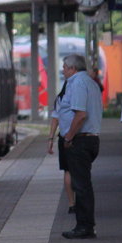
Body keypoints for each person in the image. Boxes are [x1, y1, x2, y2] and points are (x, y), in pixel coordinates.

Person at [55, 54, 103, 239]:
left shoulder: (76, 84)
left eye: (64, 67)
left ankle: (85, 226)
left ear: (72, 68)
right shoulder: (91, 82)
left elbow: (80, 114)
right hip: (90, 139)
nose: (63, 71)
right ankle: (85, 225)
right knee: (83, 183)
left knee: (81, 185)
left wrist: (68, 137)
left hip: (80, 140)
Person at [47, 80, 75, 215]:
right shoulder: (79, 97)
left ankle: (71, 203)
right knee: (80, 171)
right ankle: (81, 200)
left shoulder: (60, 98)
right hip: (79, 137)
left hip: (63, 138)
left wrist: (50, 139)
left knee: (68, 171)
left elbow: (54, 119)